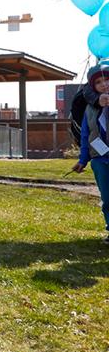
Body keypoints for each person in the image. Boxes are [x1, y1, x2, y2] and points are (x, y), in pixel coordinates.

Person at [72, 65, 109, 245]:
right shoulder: (89, 109)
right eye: (99, 82)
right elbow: (86, 136)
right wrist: (83, 159)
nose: (104, 84)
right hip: (100, 159)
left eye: (107, 80)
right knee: (107, 197)